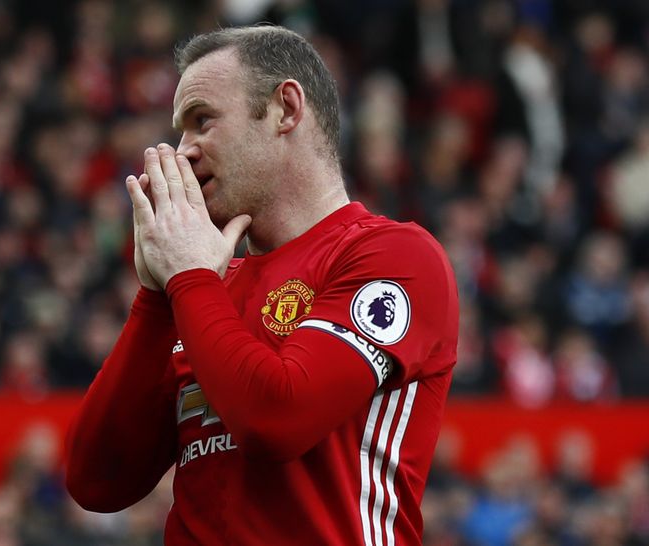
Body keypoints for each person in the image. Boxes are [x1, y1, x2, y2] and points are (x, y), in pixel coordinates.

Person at [65, 25, 459, 545]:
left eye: (202, 121)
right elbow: (96, 480)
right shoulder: (204, 284)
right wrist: (156, 299)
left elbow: (276, 419)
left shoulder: (393, 255)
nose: (183, 153)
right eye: (181, 132)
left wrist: (187, 278)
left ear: (286, 109)